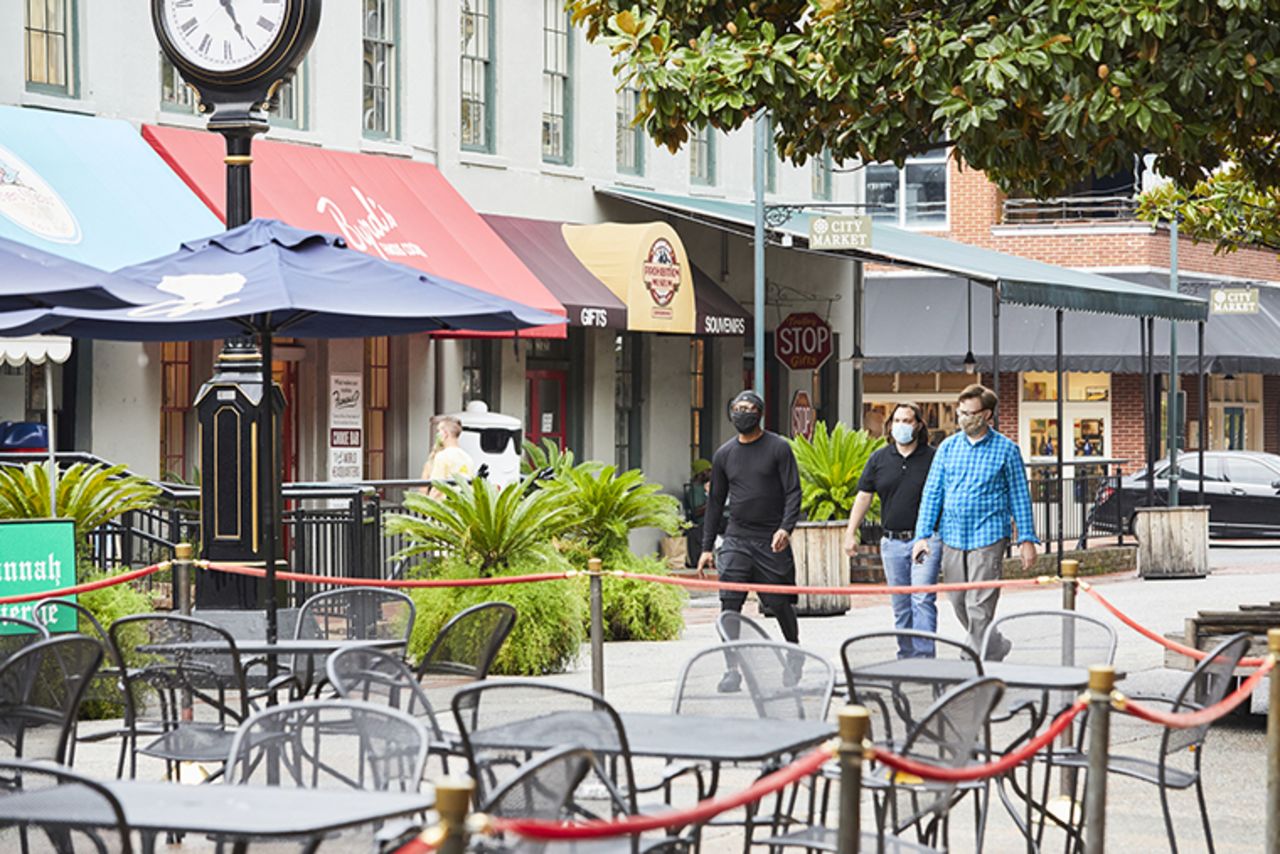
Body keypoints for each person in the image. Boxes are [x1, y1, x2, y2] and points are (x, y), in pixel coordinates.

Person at [911, 384, 1038, 658]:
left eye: (971, 413)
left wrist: (1026, 539)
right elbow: (932, 493)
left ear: (987, 415)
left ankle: (972, 660)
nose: (964, 418)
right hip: (953, 535)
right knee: (958, 600)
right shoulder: (947, 448)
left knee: (979, 604)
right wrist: (922, 535)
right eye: (961, 412)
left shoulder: (1007, 450)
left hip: (989, 535)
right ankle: (995, 644)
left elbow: (1019, 496)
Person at [697, 390, 803, 692]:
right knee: (729, 605)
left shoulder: (778, 448)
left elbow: (793, 491)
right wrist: (707, 547)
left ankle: (794, 653)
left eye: (748, 408)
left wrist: (786, 527)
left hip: (771, 539)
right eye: (737, 408)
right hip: (736, 538)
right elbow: (715, 502)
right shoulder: (724, 455)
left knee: (779, 603)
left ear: (760, 413)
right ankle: (732, 669)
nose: (742, 413)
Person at [842, 402, 942, 658]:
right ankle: (906, 655)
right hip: (892, 543)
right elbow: (864, 496)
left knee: (921, 599)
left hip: (925, 540)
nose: (902, 426)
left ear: (918, 424)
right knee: (901, 603)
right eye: (897, 421)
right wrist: (850, 531)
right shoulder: (879, 458)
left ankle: (924, 658)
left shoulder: (933, 457)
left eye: (907, 421)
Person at [420, 416, 475, 498]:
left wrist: (426, 506)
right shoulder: (468, 458)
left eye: (439, 431)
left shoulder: (442, 456)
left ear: (445, 433)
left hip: (444, 507)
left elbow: (437, 487)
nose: (437, 434)